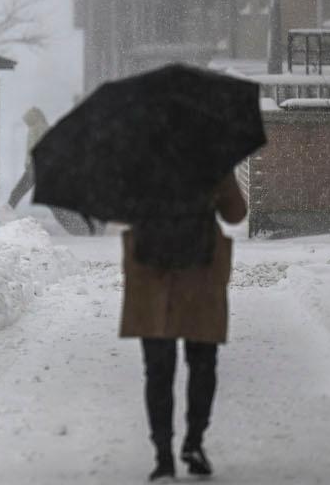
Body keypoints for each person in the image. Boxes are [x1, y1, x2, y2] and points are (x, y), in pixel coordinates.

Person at [119, 172, 248, 481]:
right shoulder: (210, 158)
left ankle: (163, 456)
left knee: (158, 370)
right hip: (199, 276)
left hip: (152, 277)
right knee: (203, 365)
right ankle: (194, 443)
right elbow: (236, 213)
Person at [6, 106, 49, 208]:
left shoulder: (39, 127)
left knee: (19, 190)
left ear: (33, 117)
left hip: (36, 165)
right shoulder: (36, 127)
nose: (26, 122)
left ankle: (8, 208)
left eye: (28, 119)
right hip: (35, 165)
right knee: (20, 190)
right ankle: (70, 221)